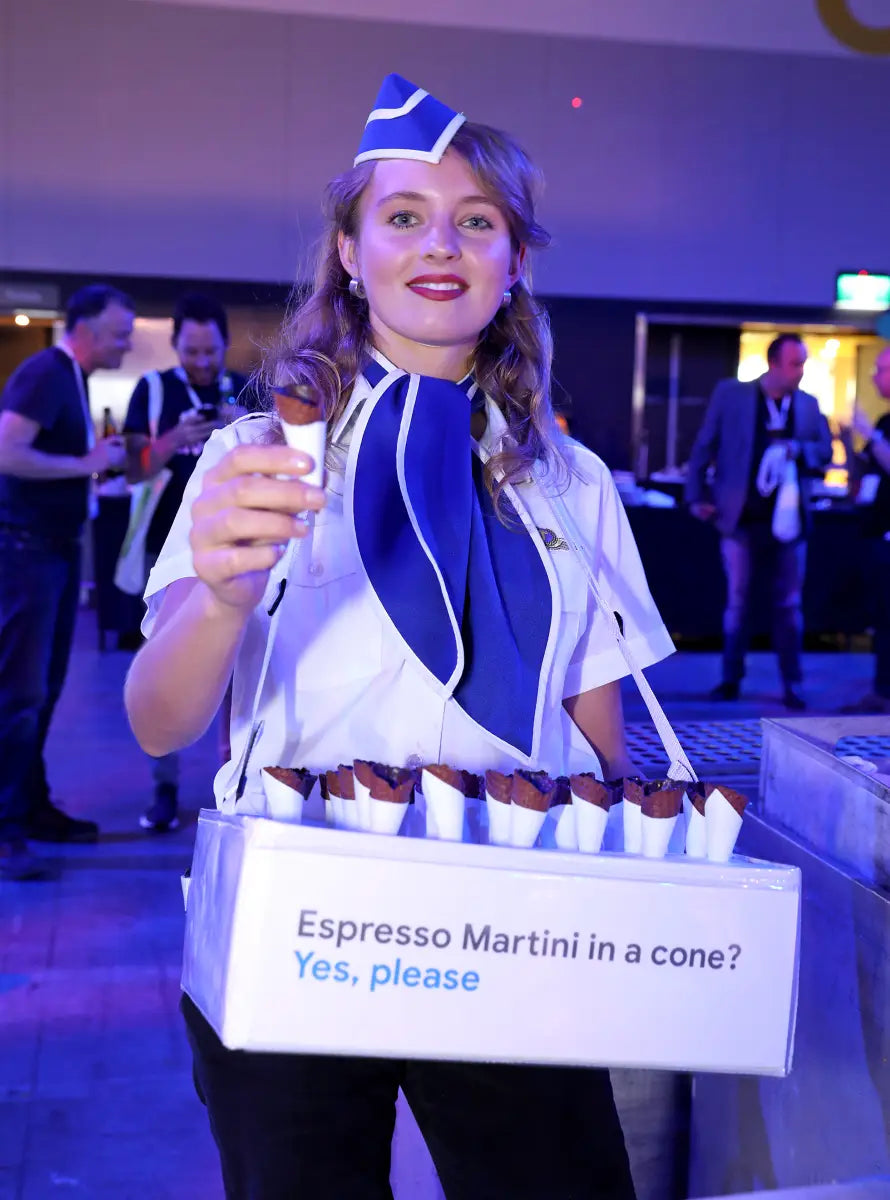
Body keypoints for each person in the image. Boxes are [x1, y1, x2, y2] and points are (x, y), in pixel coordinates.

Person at [124, 74, 674, 1198]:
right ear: (347, 247)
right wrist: (225, 596)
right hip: (301, 922)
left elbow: (596, 723)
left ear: (513, 259)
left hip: (518, 920)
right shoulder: (255, 459)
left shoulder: (573, 483)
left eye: (478, 221)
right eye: (404, 216)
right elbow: (156, 723)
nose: (442, 244)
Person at [0, 284, 133, 881]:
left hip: (47, 553)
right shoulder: (47, 372)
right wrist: (83, 466)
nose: (126, 343)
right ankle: (6, 828)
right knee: (19, 695)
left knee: (41, 691)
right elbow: (7, 451)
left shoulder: (69, 379)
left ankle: (28, 810)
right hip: (25, 551)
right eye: (118, 333)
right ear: (83, 328)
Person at [122, 293, 253, 833]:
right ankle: (165, 791)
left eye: (210, 351)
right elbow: (130, 468)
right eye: (192, 351)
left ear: (224, 345)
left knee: (237, 669)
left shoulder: (245, 388)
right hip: (166, 551)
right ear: (177, 345)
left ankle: (235, 779)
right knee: (168, 668)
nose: (201, 361)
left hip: (236, 549)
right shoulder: (153, 391)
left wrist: (244, 425)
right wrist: (174, 439)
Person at [685, 334, 833, 710]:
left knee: (789, 605)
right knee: (737, 602)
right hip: (739, 518)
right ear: (773, 364)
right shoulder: (731, 395)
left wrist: (799, 450)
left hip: (790, 522)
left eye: (802, 364)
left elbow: (824, 453)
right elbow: (705, 445)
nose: (800, 372)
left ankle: (792, 684)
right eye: (794, 364)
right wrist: (696, 496)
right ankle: (731, 679)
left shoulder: (809, 405)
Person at [840, 345, 890, 714]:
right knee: (882, 616)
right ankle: (882, 689)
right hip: (877, 533)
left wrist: (869, 435)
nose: (874, 376)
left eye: (881, 369)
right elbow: (863, 476)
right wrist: (847, 440)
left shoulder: (881, 430)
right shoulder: (886, 421)